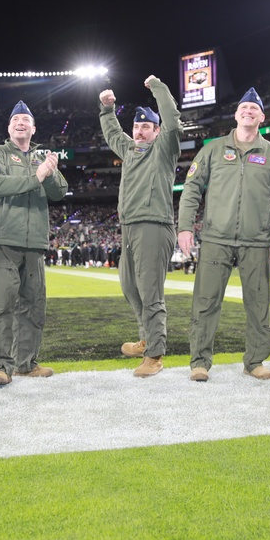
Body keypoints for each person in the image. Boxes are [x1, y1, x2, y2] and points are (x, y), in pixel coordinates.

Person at [177, 87, 270, 381]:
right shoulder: (213, 149)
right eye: (244, 108)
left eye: (253, 109)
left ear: (262, 117)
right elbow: (192, 189)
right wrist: (184, 226)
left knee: (258, 305)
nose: (248, 112)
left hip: (255, 242)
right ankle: (200, 362)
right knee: (205, 303)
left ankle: (255, 361)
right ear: (236, 115)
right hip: (216, 239)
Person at [0, 100, 67, 387]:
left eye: (26, 120)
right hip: (3, 240)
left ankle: (26, 364)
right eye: (16, 119)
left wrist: (50, 172)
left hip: (34, 244)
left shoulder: (42, 157)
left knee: (33, 307)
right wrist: (37, 175)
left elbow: (60, 191)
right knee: (1, 306)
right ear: (9, 127)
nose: (21, 123)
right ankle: (1, 366)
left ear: (33, 128)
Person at [98, 75, 182, 378]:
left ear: (156, 130)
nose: (139, 131)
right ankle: (146, 338)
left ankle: (155, 354)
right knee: (130, 288)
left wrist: (158, 88)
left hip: (154, 226)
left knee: (150, 293)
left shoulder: (164, 148)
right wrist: (107, 110)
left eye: (146, 126)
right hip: (129, 227)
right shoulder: (130, 150)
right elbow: (112, 134)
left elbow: (173, 120)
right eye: (136, 126)